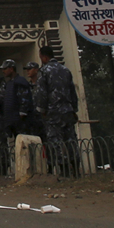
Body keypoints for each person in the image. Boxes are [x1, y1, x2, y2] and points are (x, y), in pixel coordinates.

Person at [34, 46, 80, 177]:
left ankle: (64, 170)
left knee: (56, 142)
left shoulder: (44, 71)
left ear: (44, 57)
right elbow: (72, 91)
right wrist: (74, 109)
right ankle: (76, 168)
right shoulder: (65, 70)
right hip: (68, 111)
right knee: (71, 140)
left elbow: (41, 93)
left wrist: (42, 110)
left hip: (53, 112)